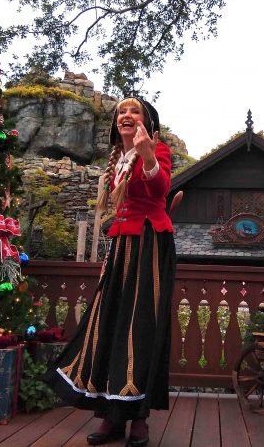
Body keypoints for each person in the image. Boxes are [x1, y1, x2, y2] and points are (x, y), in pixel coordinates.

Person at [46, 96, 176, 446]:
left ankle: (138, 418)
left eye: (134, 111)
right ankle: (108, 414)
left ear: (147, 122)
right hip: (120, 247)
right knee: (110, 324)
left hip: (148, 243)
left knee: (139, 327)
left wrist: (147, 152)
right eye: (122, 112)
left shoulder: (158, 149)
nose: (126, 115)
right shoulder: (116, 158)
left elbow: (159, 187)